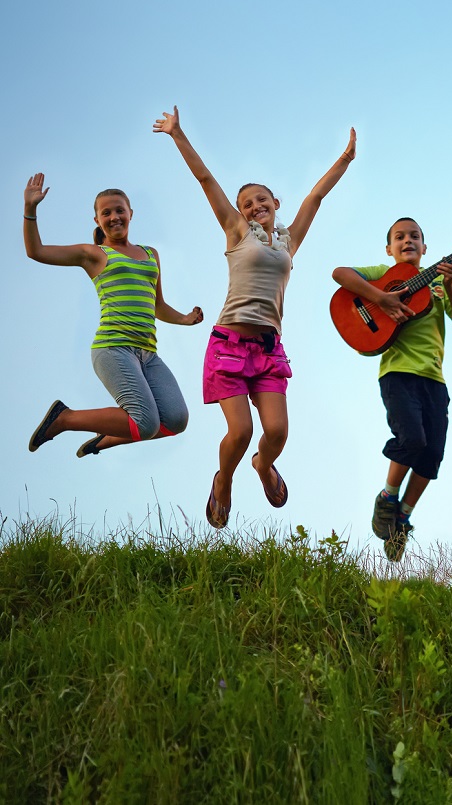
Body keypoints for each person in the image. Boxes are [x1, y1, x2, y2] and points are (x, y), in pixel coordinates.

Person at [155, 106, 355, 529]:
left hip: (267, 350)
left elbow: (314, 198)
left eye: (261, 200)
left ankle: (263, 466)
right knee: (241, 432)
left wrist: (344, 160)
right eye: (246, 203)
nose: (254, 206)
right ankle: (223, 479)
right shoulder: (237, 232)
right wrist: (178, 134)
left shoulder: (287, 243)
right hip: (228, 345)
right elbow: (206, 180)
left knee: (277, 432)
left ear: (274, 203)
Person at [23, 174, 202, 458]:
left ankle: (105, 439)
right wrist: (30, 210)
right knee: (145, 423)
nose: (114, 216)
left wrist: (184, 318)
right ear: (97, 220)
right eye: (106, 212)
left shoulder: (150, 253)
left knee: (176, 420)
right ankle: (64, 418)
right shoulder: (93, 254)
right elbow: (36, 251)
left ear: (131, 213)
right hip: (113, 348)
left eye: (120, 210)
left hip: (148, 354)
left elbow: (157, 305)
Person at [332, 217, 452, 560]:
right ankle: (387, 499)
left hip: (435, 380)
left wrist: (450, 283)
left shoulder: (438, 282)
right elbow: (339, 274)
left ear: (425, 248)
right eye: (399, 236)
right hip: (397, 373)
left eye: (415, 236)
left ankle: (402, 519)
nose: (407, 240)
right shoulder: (381, 270)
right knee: (412, 438)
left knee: (432, 455)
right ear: (389, 249)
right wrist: (381, 298)